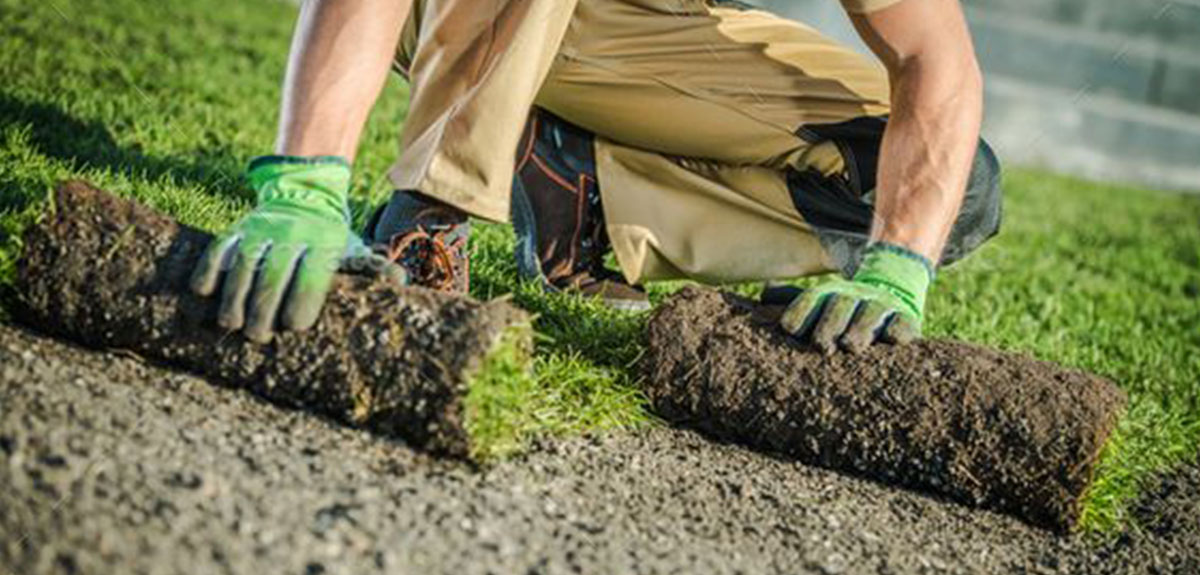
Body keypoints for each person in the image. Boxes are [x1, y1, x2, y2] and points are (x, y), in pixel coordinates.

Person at [191, 0, 1002, 354]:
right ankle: (427, 218)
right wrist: (304, 185)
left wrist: (897, 265)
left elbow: (938, 59)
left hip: (636, 33)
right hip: (446, 12)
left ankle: (575, 187)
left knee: (954, 188)